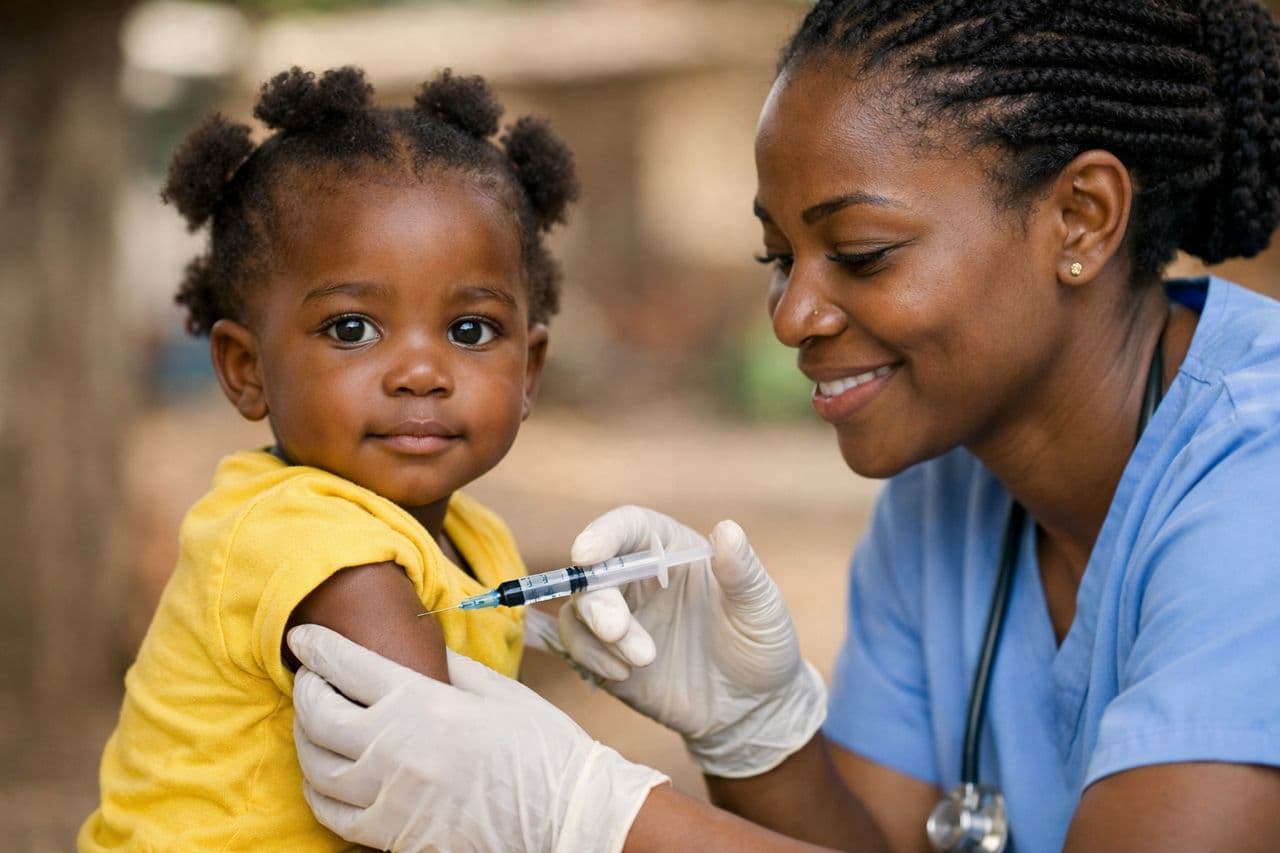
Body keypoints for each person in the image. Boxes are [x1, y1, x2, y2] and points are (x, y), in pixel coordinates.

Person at [288, 1, 1280, 851]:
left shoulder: (1257, 487)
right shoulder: (944, 492)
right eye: (779, 256)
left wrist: (592, 815)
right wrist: (756, 736)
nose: (790, 316)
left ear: (1079, 217)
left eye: (860, 251)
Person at [78, 66, 667, 851]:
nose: (420, 372)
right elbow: (440, 813)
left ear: (528, 371)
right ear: (246, 369)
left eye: (469, 331)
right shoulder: (318, 547)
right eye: (352, 329)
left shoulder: (477, 537)